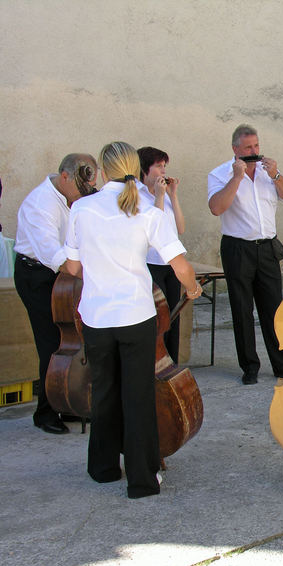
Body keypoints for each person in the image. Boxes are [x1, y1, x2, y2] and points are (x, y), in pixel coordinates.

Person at [63, 141, 201, 498]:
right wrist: (193, 288)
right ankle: (142, 479)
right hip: (136, 316)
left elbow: (73, 267)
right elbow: (179, 264)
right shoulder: (149, 212)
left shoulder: (81, 208)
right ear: (133, 169)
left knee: (104, 392)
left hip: (96, 317)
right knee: (138, 396)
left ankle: (103, 468)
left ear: (103, 170)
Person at [13, 153, 98, 434]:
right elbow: (57, 257)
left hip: (66, 273)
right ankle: (45, 412)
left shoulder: (73, 195)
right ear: (65, 177)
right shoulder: (40, 204)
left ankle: (68, 403)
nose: (84, 196)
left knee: (75, 340)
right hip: (38, 274)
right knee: (52, 344)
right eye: (81, 189)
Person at [208, 124, 283, 384]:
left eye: (256, 146)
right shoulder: (220, 174)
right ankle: (250, 367)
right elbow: (216, 208)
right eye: (248, 148)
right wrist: (237, 178)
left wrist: (276, 174)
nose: (254, 151)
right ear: (235, 149)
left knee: (273, 309)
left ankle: (281, 364)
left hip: (267, 247)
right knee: (242, 310)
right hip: (238, 248)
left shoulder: (269, 172)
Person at [137, 146, 185, 363]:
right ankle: (158, 362)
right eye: (158, 166)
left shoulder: (164, 194)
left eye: (165, 166)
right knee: (159, 317)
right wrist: (158, 196)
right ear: (144, 170)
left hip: (170, 264)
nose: (163, 171)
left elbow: (180, 228)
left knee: (173, 316)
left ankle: (172, 361)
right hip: (151, 262)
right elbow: (152, 231)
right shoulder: (137, 196)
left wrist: (172, 196)